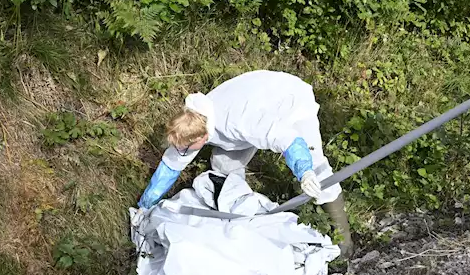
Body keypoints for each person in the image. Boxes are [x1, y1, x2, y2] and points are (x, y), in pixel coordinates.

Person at [135, 69, 354, 257]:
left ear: (203, 138)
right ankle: (241, 220)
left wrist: (304, 171)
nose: (182, 152)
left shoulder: (241, 122)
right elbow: (171, 166)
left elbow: (288, 139)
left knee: (318, 171)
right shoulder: (194, 120)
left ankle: (344, 241)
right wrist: (144, 206)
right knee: (224, 168)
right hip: (256, 103)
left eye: (186, 148)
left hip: (287, 102)